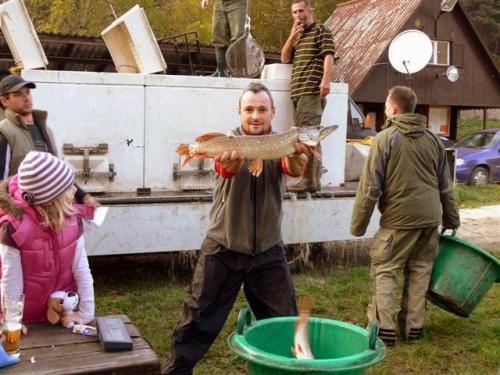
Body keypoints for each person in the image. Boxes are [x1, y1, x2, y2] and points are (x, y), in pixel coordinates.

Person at [162, 83, 308, 374]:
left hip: (268, 251)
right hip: (223, 248)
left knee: (285, 323)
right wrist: (229, 163)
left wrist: (296, 153)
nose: (256, 115)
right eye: (249, 109)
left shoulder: (282, 143)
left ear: (273, 112)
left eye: (262, 109)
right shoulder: (230, 142)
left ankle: (286, 371)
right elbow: (224, 170)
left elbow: (295, 167)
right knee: (196, 322)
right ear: (239, 112)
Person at [350, 86, 460, 346]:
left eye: (387, 107)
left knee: (386, 269)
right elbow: (446, 185)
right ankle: (414, 328)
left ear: (394, 110)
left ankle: (384, 330)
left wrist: (358, 226)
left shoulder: (385, 138)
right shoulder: (434, 140)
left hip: (398, 221)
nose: (386, 110)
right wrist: (452, 219)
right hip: (429, 220)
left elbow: (370, 189)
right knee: (421, 270)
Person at [0, 151, 95, 327]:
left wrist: (85, 313)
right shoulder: (15, 228)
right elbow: (10, 281)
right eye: (69, 186)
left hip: (60, 313)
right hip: (25, 319)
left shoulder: (73, 220)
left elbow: (81, 269)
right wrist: (12, 322)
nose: (75, 190)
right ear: (51, 198)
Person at [0, 75, 96, 206]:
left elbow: (56, 173)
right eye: (18, 94)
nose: (26, 98)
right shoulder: (4, 131)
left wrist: (83, 197)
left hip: (50, 213)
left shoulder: (46, 130)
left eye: (27, 92)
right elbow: (1, 183)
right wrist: (15, 215)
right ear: (4, 100)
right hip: (23, 213)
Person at [280, 0, 335, 193]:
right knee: (310, 136)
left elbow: (329, 56)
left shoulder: (322, 30)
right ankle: (312, 181)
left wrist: (325, 81)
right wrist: (291, 36)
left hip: (310, 90)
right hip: (297, 92)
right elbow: (284, 58)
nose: (297, 15)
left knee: (308, 137)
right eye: (294, 12)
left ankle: (309, 181)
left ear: (311, 10)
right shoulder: (297, 35)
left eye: (301, 10)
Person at [201, 0, 247, 77]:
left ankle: (239, 73)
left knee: (238, 38)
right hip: (219, 3)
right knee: (218, 35)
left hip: (238, 3)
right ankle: (221, 71)